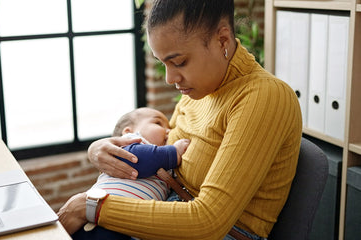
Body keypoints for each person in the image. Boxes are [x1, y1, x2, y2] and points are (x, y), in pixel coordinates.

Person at [57, 0, 302, 239]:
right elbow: (163, 146)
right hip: (165, 204)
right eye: (163, 63)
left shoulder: (264, 96)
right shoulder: (202, 88)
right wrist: (98, 149)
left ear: (222, 40)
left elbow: (208, 222)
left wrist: (91, 207)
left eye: (179, 62)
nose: (169, 77)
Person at [70, 107, 190, 240]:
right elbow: (140, 160)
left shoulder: (166, 166)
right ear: (128, 131)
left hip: (129, 227)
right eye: (158, 123)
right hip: (99, 223)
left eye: (168, 127)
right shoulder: (129, 144)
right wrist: (174, 152)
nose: (168, 131)